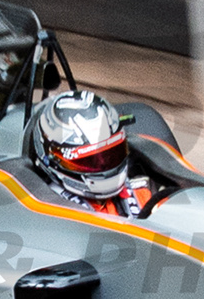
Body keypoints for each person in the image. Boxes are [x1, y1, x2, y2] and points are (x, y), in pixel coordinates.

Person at [27, 89, 157, 220]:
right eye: (90, 161)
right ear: (52, 158)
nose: (104, 164)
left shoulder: (143, 193)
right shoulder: (51, 213)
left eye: (111, 155)